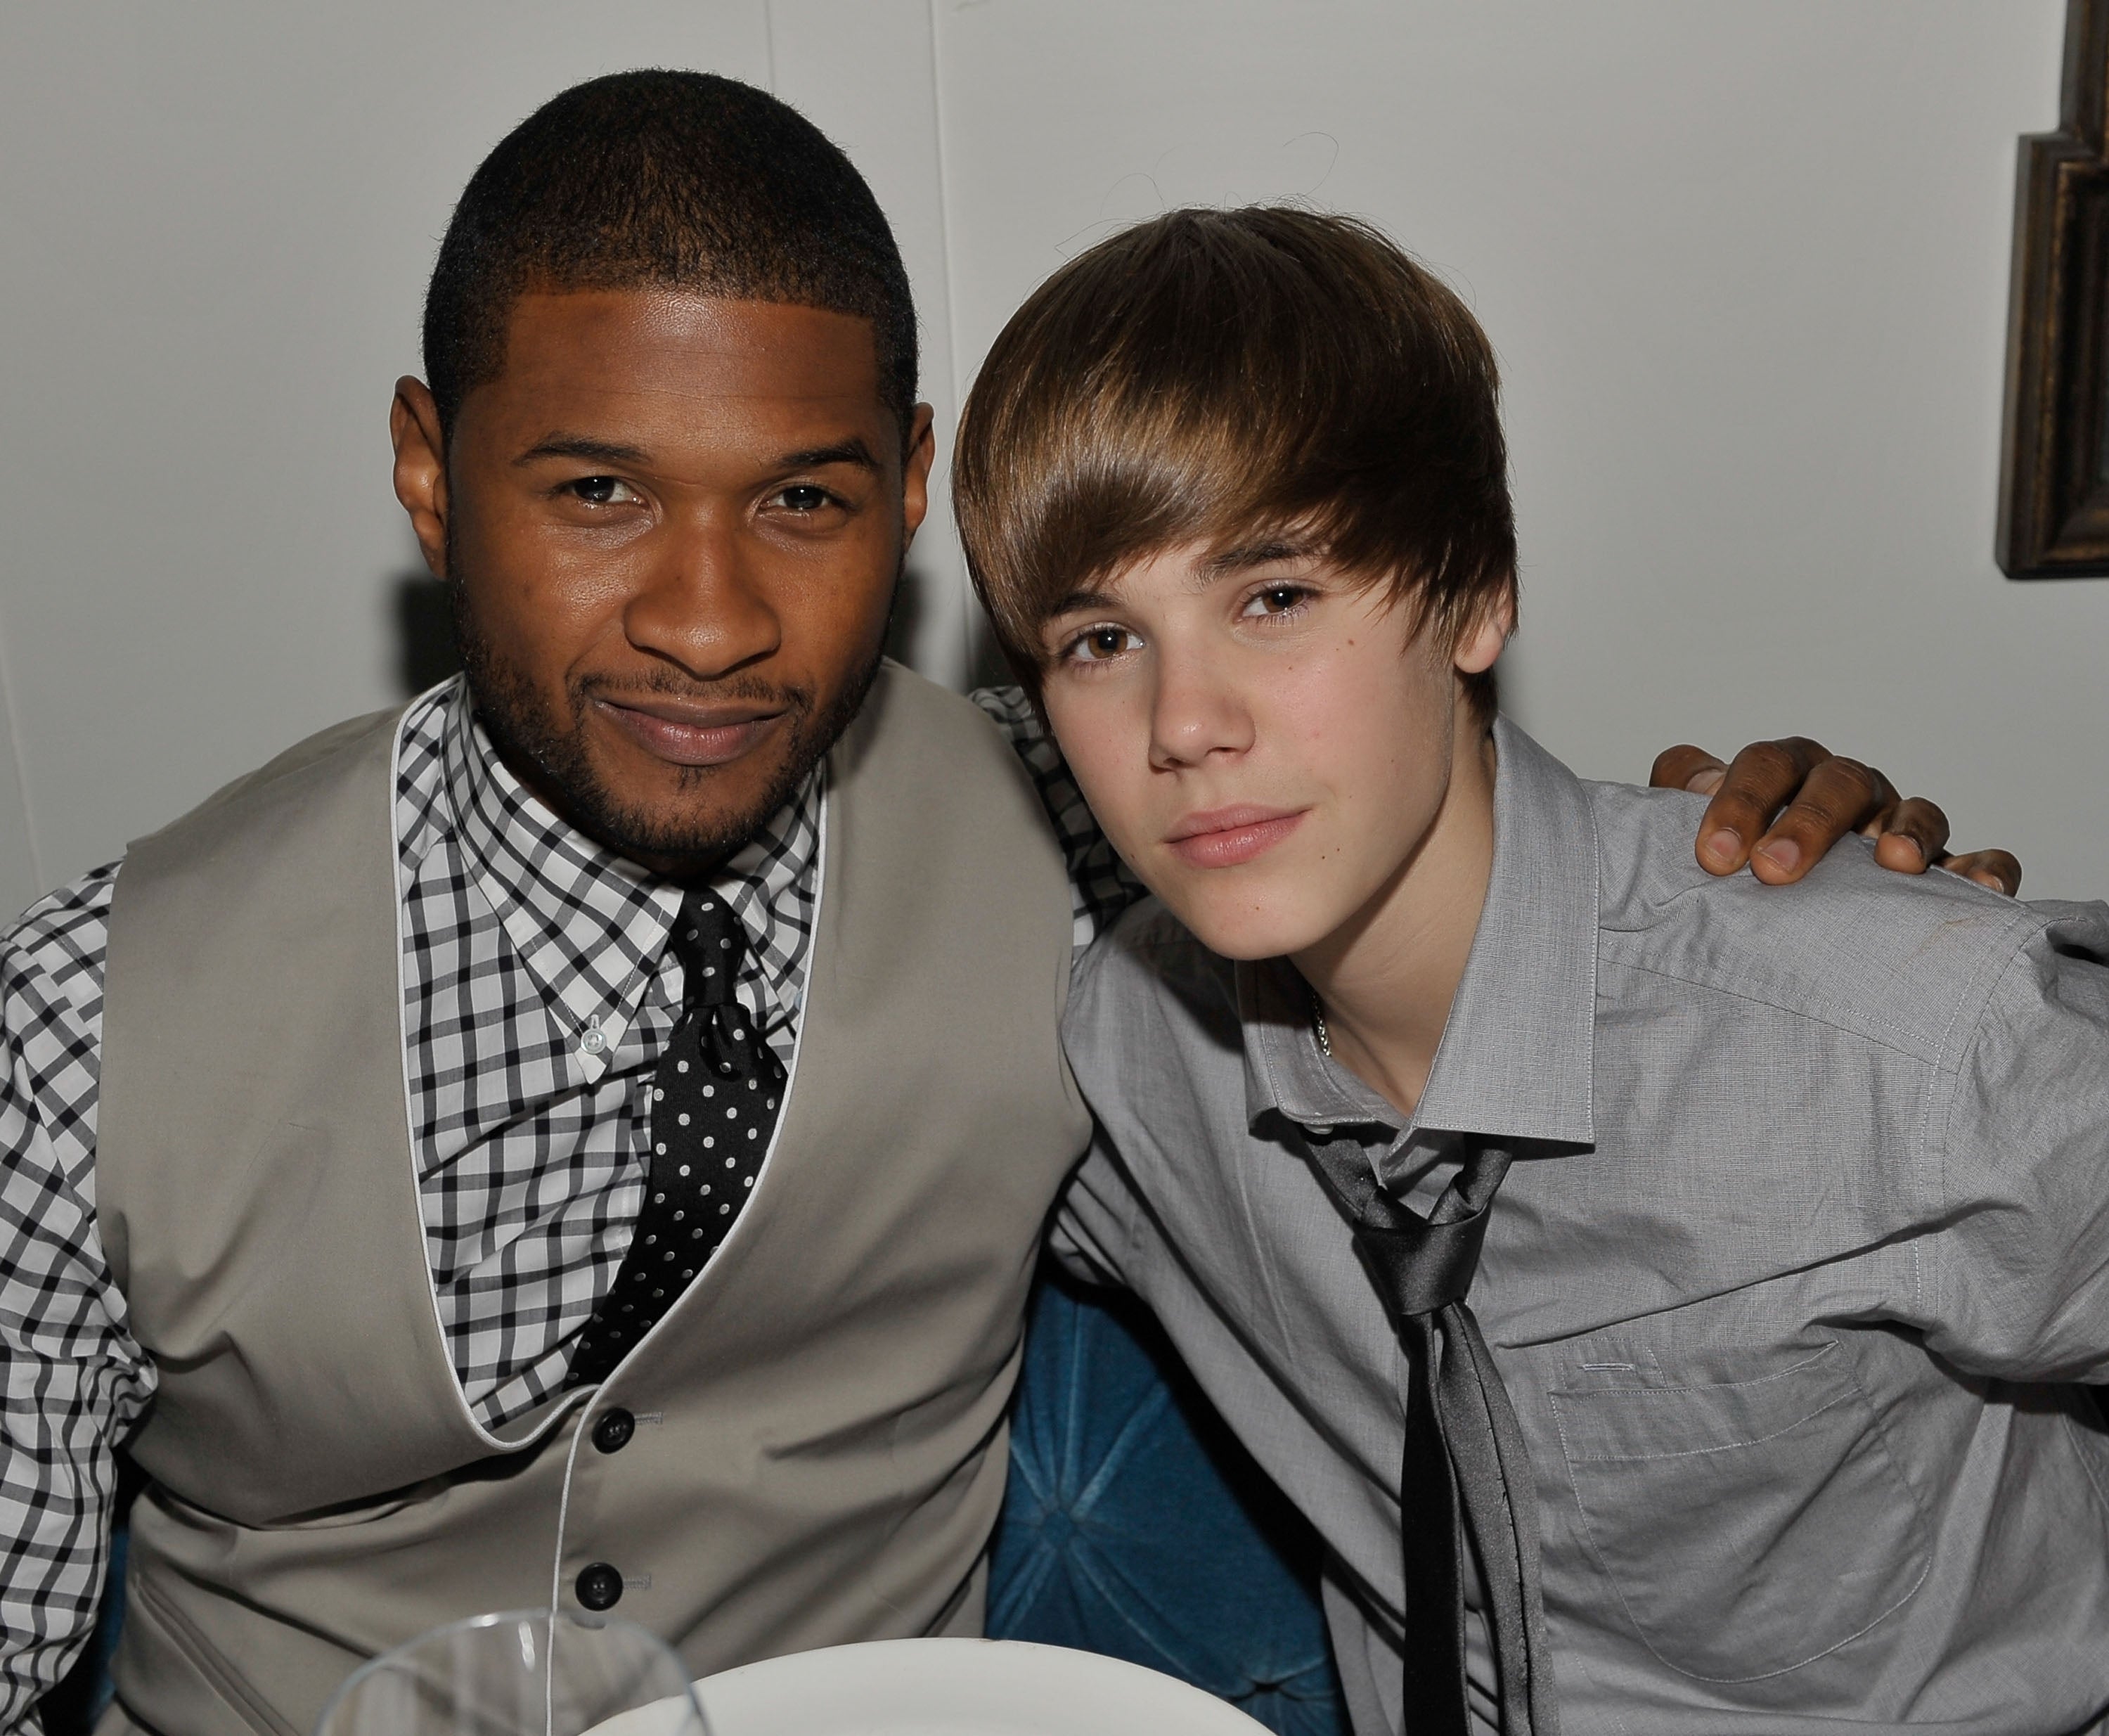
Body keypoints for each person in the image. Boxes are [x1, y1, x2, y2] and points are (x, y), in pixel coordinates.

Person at [0, 74, 1994, 1736]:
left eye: (803, 497)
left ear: (908, 484)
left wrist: (1794, 882)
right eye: (598, 491)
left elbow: (1456, 859)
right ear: (431, 474)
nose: (708, 619)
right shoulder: (85, 1025)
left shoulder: (1098, 832)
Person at [952, 204, 2109, 1736]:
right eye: (1101, 641)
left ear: (1478, 592)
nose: (1184, 724)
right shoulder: (1131, 1051)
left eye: (1275, 597)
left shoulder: (1905, 1036)